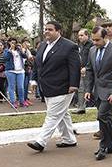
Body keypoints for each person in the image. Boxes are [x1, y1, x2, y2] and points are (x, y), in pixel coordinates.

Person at [27, 21, 80, 152]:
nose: (46, 32)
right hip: (47, 87)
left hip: (64, 87)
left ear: (58, 31)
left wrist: (74, 84)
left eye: (50, 29)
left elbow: (75, 67)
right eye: (45, 29)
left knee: (53, 115)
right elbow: (38, 65)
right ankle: (69, 139)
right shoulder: (42, 45)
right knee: (62, 114)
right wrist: (33, 80)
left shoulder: (69, 46)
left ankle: (41, 141)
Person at [85, 26, 112, 160]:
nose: (95, 43)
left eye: (97, 40)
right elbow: (90, 71)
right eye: (93, 40)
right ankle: (111, 146)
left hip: (110, 91)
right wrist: (87, 90)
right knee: (106, 118)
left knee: (101, 115)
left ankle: (103, 147)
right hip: (97, 91)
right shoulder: (92, 50)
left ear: (105, 37)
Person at [3, 38, 28, 108]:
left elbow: (25, 56)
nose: (13, 44)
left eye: (14, 42)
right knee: (11, 87)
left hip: (20, 71)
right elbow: (5, 58)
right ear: (9, 43)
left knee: (20, 87)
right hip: (10, 71)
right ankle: (13, 102)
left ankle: (22, 101)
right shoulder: (6, 50)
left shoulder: (19, 50)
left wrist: (24, 50)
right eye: (11, 42)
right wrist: (10, 50)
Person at [75, 28, 92, 114]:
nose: (80, 37)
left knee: (88, 88)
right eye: (79, 36)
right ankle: (81, 107)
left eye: (82, 35)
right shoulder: (80, 45)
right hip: (81, 70)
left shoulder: (92, 45)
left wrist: (86, 67)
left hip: (89, 70)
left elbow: (92, 58)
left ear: (87, 35)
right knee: (81, 88)